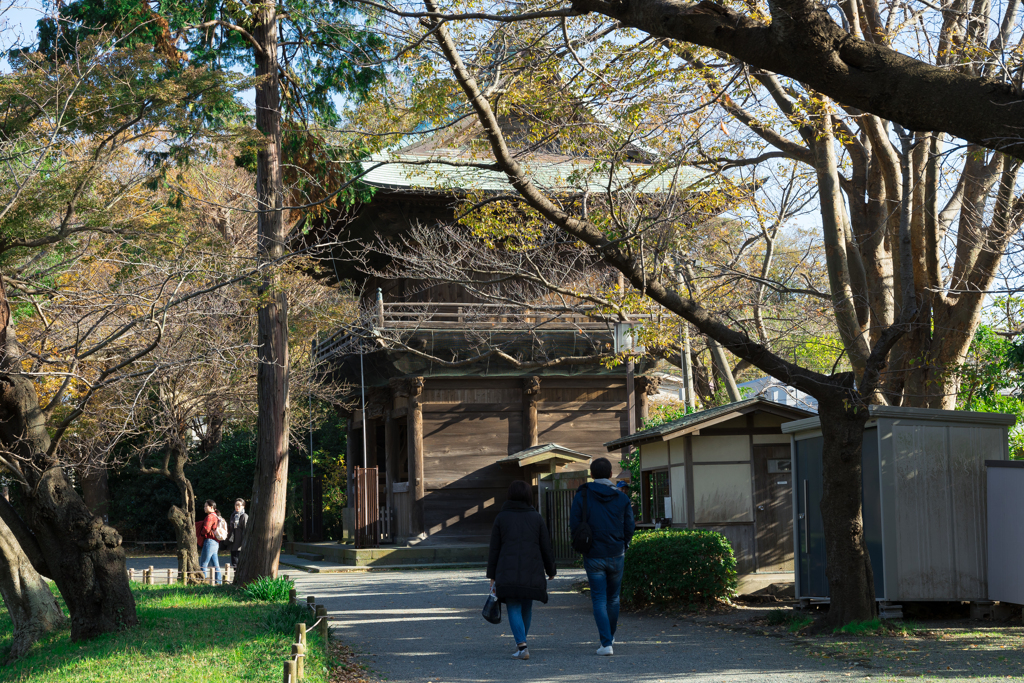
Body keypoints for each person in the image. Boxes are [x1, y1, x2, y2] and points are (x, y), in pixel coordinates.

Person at [570, 457, 635, 656]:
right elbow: (630, 526)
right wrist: (623, 543)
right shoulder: (622, 498)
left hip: (593, 553)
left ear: (591, 474)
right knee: (613, 598)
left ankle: (606, 643)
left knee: (598, 598)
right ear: (610, 475)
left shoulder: (582, 495)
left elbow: (574, 524)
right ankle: (610, 637)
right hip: (616, 553)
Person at [486, 480, 557, 661]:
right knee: (527, 606)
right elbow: (545, 547)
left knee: (514, 606)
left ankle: (522, 645)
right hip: (531, 570)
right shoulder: (536, 517)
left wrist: (492, 575)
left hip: (507, 571)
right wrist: (551, 570)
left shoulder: (502, 517)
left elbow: (494, 548)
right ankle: (521, 643)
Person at [196, 499, 222, 584]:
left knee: (203, 564)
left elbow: (206, 529)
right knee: (215, 564)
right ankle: (219, 582)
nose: (204, 508)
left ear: (211, 507)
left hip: (209, 542)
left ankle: (203, 582)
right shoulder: (216, 516)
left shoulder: (210, 517)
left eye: (205, 506)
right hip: (215, 543)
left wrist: (201, 534)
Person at [227, 498, 248, 567]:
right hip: (233, 542)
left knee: (238, 563)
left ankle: (239, 577)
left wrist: (245, 543)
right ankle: (236, 576)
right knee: (234, 562)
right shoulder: (233, 515)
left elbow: (246, 530)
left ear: (243, 506)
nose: (237, 507)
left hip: (240, 544)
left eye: (239, 505)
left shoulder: (244, 516)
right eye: (236, 505)